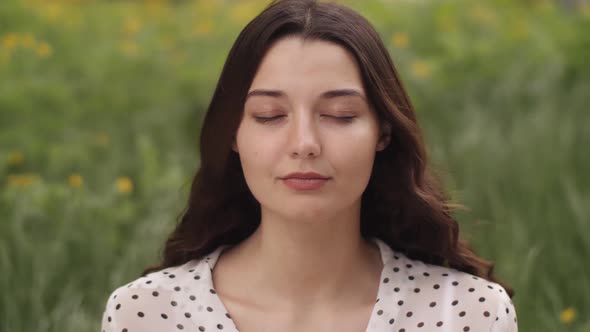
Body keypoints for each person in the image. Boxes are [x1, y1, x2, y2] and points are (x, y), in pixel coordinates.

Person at [100, 0, 518, 331]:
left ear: (383, 133)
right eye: (268, 115)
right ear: (233, 135)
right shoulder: (147, 315)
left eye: (339, 114)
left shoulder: (467, 314)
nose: (305, 144)